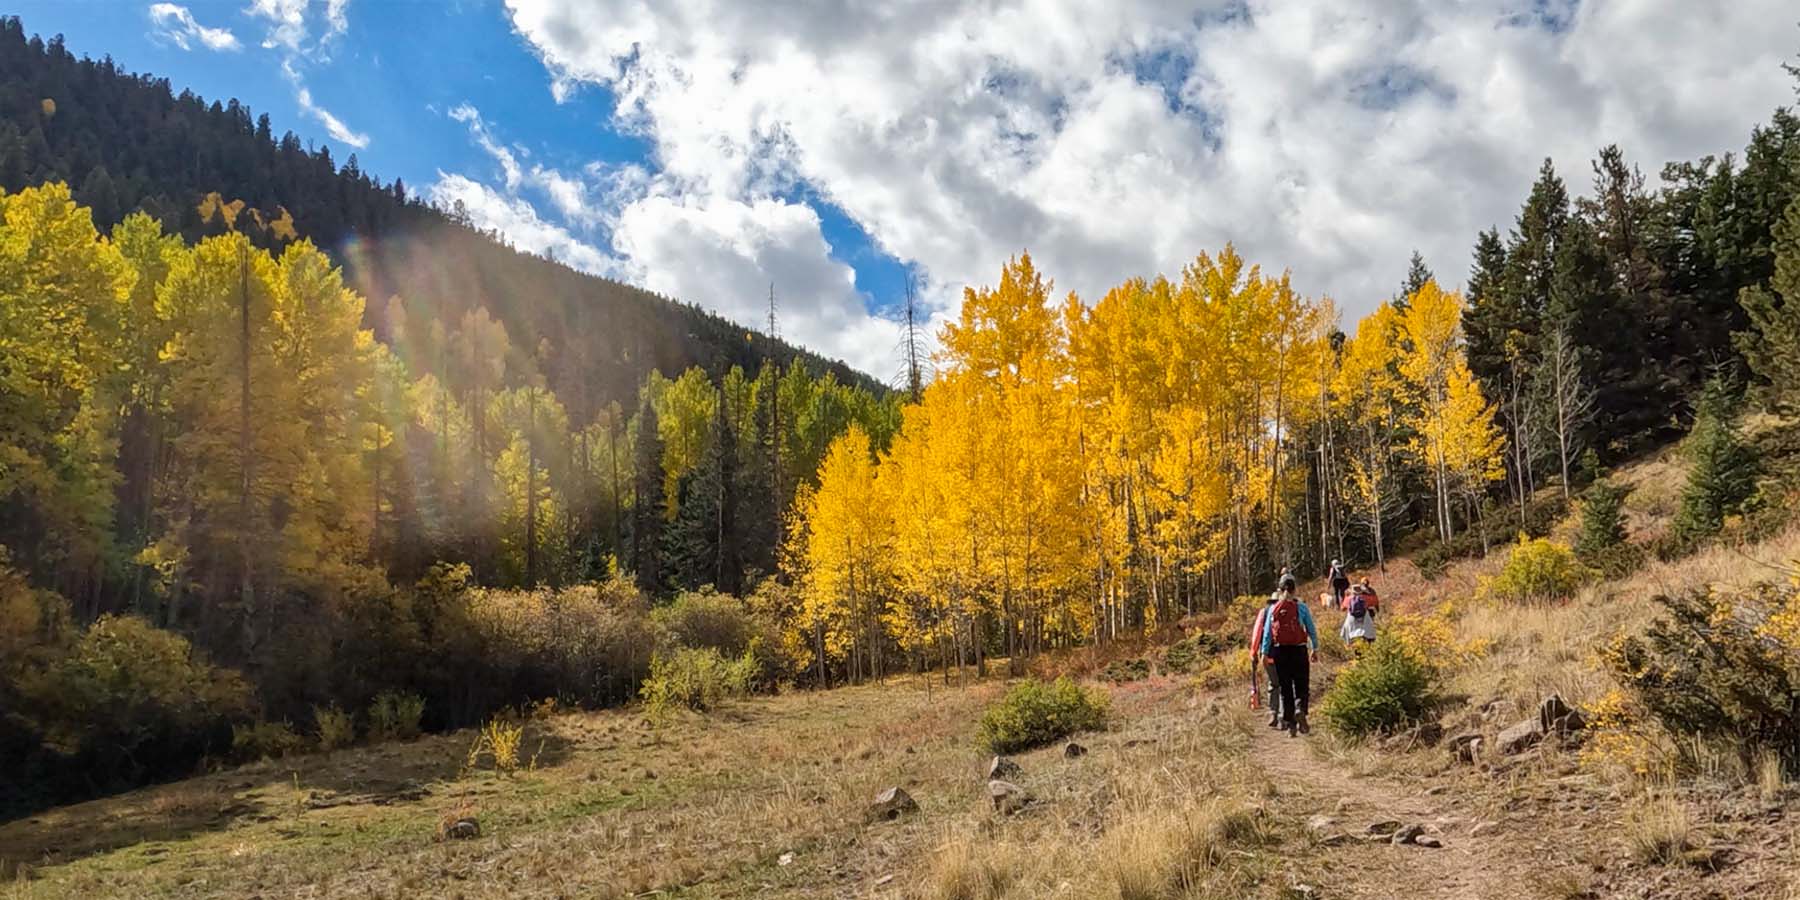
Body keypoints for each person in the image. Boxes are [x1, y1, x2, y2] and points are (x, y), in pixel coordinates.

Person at [1261, 574, 1319, 736]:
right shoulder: (1301, 607)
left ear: (1280, 589)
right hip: (1299, 650)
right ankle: (1300, 709)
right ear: (1295, 589)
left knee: (1286, 689)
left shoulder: (1273, 608)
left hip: (1280, 651)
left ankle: (1291, 726)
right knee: (1302, 685)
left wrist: (1264, 653)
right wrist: (1315, 647)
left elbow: (1268, 634)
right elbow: (1311, 629)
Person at [1247, 591, 1281, 727]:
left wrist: (1253, 652)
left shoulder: (1265, 612)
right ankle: (1286, 716)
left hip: (1269, 656)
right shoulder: (1293, 609)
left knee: (1274, 684)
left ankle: (1273, 712)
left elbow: (1257, 633)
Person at [1339, 582, 1377, 648]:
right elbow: (1375, 602)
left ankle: (1349, 644)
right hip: (1365, 619)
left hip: (1351, 620)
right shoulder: (1365, 597)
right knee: (1371, 633)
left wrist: (1345, 597)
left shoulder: (1348, 599)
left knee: (1346, 630)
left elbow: (1342, 608)